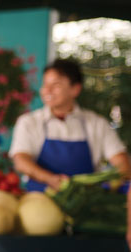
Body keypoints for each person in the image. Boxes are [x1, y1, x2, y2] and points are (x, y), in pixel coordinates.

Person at [10, 58, 130, 191]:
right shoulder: (29, 122)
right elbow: (21, 161)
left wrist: (118, 180)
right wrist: (50, 179)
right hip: (40, 198)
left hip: (86, 201)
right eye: (45, 84)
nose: (47, 90)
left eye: (56, 85)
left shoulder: (97, 123)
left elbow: (121, 161)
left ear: (75, 89)